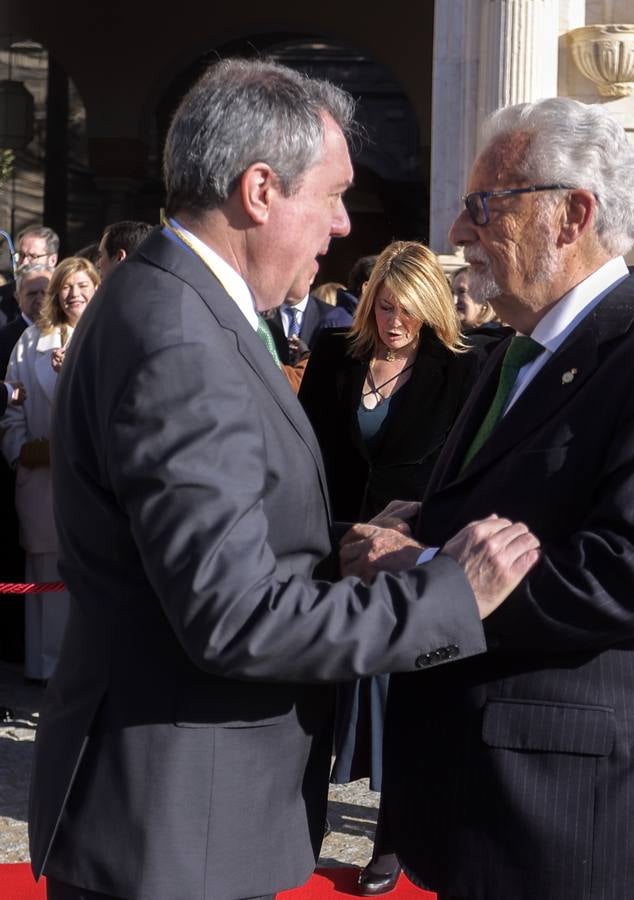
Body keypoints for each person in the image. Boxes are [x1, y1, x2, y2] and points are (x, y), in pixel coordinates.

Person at [27, 58, 540, 900]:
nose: (343, 225)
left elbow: (190, 557)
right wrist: (452, 594)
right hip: (179, 825)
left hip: (180, 804)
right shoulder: (181, 342)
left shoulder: (175, 303)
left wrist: (336, 553)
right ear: (260, 190)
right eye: (332, 194)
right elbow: (232, 620)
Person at [341, 96, 634, 899]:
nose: (458, 233)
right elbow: (523, 507)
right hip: (485, 800)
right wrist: (422, 522)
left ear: (573, 214)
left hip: (586, 823)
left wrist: (421, 562)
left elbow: (628, 580)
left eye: (482, 206)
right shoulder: (511, 353)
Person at [299, 241, 484, 894]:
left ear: (430, 308)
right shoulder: (333, 356)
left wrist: (414, 528)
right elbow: (305, 448)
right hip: (329, 549)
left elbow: (466, 472)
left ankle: (391, 840)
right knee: (314, 703)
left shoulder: (463, 369)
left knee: (398, 709)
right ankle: (301, 831)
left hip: (405, 559)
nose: (393, 322)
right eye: (382, 307)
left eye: (405, 310)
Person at [1, 257, 99, 684]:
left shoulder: (108, 335)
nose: (74, 293)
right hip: (42, 477)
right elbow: (13, 409)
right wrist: (22, 451)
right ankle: (45, 669)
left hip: (92, 480)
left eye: (82, 284)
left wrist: (73, 369)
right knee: (44, 574)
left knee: (88, 573)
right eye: (66, 287)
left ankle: (85, 670)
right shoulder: (32, 340)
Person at [451, 264, 511, 351]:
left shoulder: (496, 342)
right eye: (452, 292)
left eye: (462, 292)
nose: (454, 300)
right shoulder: (447, 337)